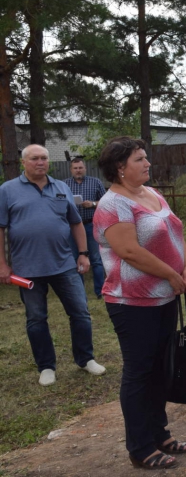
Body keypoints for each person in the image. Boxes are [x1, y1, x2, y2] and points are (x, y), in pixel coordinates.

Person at [93, 137, 186, 470]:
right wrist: (172, 274)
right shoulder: (112, 204)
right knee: (139, 372)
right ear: (120, 168)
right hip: (132, 301)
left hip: (165, 296)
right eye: (140, 159)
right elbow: (129, 251)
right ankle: (140, 447)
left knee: (159, 368)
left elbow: (175, 231)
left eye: (146, 157)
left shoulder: (152, 194)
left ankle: (159, 434)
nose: (148, 163)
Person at [0, 144, 106, 387]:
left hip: (64, 265)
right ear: (23, 163)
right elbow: (1, 228)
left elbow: (76, 223)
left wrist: (82, 253)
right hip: (27, 270)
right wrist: (2, 264)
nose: (40, 162)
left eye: (44, 158)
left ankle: (86, 359)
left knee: (80, 312)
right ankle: (46, 366)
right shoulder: (7, 190)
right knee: (36, 319)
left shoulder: (61, 187)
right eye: (35, 158)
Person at [65, 156, 107, 299]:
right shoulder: (64, 185)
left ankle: (101, 291)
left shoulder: (95, 182)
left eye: (80, 168)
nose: (78, 170)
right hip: (72, 228)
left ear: (85, 168)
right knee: (76, 258)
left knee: (96, 259)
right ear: (71, 170)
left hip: (90, 224)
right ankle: (79, 292)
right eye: (75, 168)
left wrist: (93, 204)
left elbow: (106, 201)